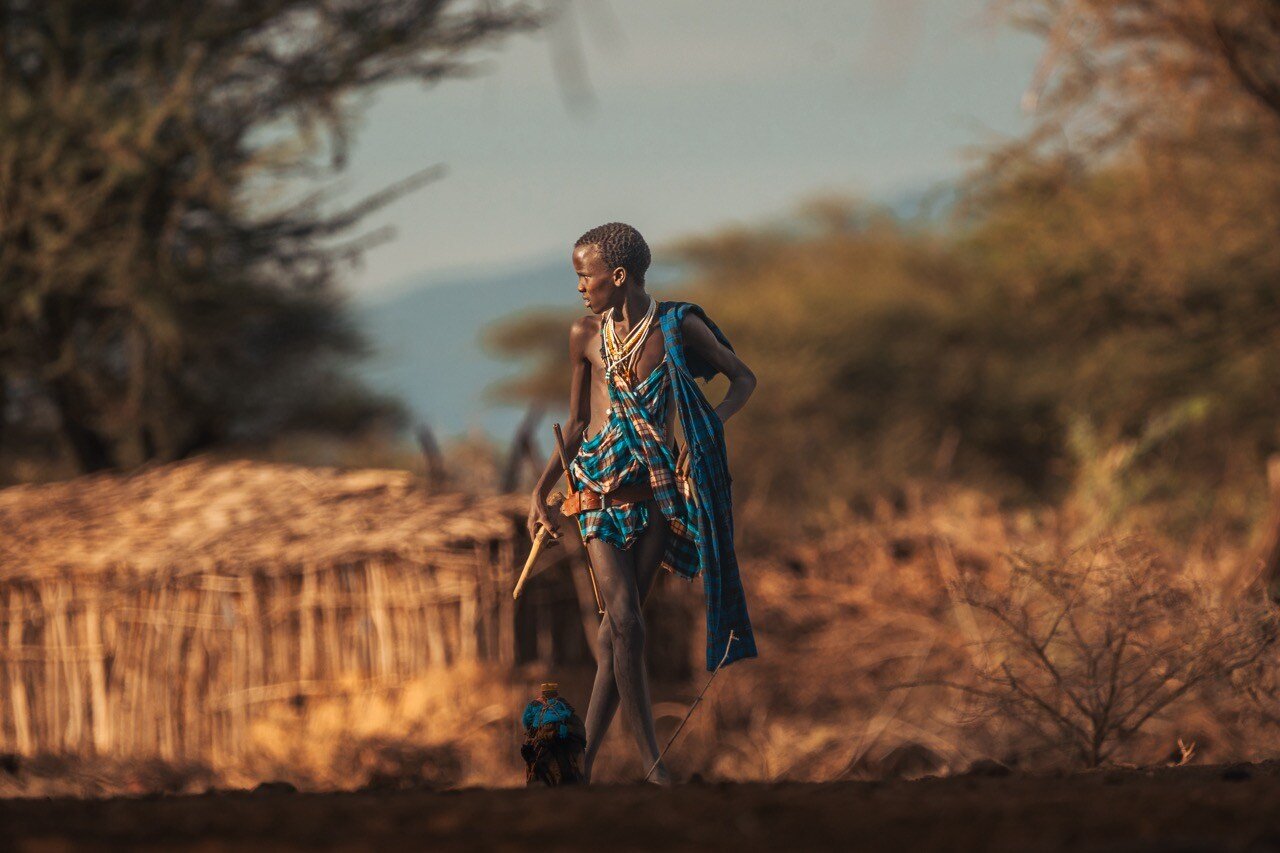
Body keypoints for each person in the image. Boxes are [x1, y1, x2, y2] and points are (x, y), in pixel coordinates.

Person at [527, 222, 758, 785]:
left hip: (654, 495)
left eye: (586, 275)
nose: (580, 286)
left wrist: (705, 429)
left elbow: (742, 380)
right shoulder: (584, 333)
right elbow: (580, 423)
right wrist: (540, 489)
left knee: (615, 637)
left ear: (619, 275)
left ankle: (578, 765)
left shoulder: (679, 328)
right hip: (599, 496)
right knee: (627, 622)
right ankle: (652, 763)